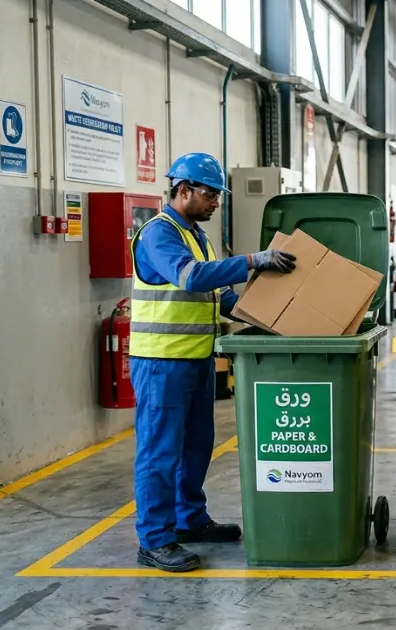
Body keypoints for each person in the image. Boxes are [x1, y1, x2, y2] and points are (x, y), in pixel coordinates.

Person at [129, 152, 297, 572]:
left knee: (196, 446)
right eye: (210, 194)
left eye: (217, 195)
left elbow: (217, 296)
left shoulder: (198, 236)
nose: (216, 202)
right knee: (160, 451)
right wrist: (251, 261)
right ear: (183, 190)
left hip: (197, 359)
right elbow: (191, 277)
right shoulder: (158, 234)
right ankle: (154, 540)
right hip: (161, 363)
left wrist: (269, 313)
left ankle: (189, 521)